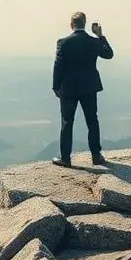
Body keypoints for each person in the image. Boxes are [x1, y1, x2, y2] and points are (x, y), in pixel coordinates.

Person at [51, 11, 114, 167]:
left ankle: (65, 158)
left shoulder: (63, 42)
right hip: (89, 87)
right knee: (92, 121)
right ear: (85, 24)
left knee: (67, 122)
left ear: (71, 24)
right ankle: (96, 156)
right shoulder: (93, 42)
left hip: (68, 89)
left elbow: (58, 66)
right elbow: (109, 54)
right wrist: (100, 36)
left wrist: (56, 86)